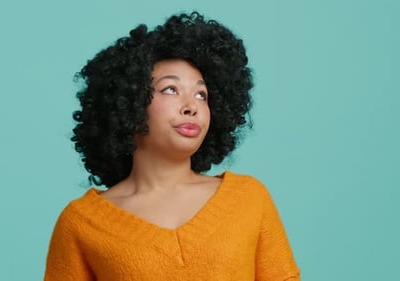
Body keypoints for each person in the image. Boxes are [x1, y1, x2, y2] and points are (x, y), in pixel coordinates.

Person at [44, 11, 300, 281]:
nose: (192, 106)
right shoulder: (81, 223)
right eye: (170, 89)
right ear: (128, 102)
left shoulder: (250, 199)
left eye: (201, 95)